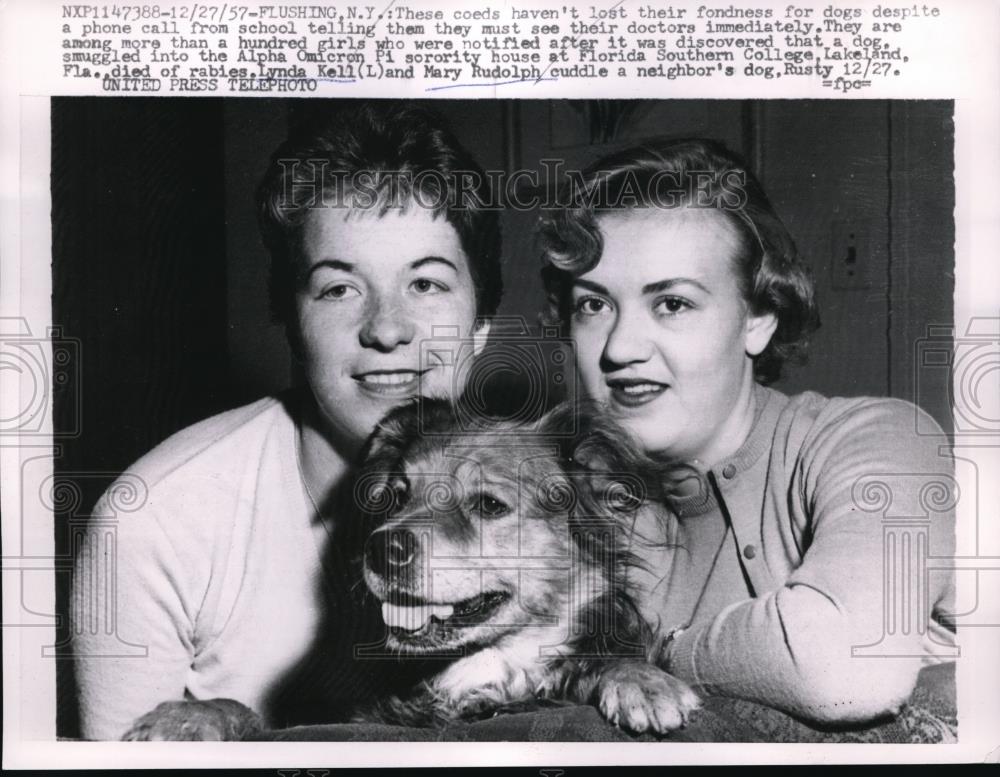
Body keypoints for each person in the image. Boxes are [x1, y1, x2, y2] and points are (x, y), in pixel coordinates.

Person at [71, 104, 502, 740]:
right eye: (338, 288)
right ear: (292, 325)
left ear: (482, 325)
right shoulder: (155, 520)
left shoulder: (548, 500)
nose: (387, 328)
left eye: (427, 284)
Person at [538, 139, 957, 726]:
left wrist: (652, 656)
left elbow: (850, 668)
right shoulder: (583, 508)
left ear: (759, 319)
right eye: (593, 305)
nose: (621, 348)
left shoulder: (879, 439)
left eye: (673, 303)